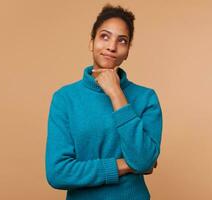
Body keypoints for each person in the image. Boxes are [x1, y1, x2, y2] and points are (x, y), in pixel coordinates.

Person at [45, 4, 163, 200]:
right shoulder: (65, 98)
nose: (112, 46)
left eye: (122, 40)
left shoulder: (146, 98)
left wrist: (116, 93)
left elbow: (142, 160)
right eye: (104, 36)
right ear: (91, 42)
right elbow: (57, 173)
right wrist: (125, 165)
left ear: (127, 51)